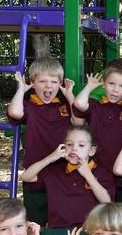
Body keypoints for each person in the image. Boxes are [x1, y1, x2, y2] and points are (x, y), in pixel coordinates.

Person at [19, 125, 115, 235]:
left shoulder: (101, 173)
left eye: (81, 145)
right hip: (57, 232)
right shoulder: (55, 171)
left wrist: (88, 175)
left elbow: (107, 201)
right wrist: (50, 158)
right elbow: (26, 177)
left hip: (87, 232)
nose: (74, 148)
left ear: (92, 150)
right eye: (69, 144)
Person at [7, 57, 82, 226]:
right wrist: (20, 90)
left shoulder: (63, 105)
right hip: (36, 169)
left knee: (62, 214)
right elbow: (15, 113)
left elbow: (78, 122)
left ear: (60, 84)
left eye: (54, 82)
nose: (49, 86)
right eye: (42, 81)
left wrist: (70, 96)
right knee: (35, 218)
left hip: (62, 169)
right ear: (33, 83)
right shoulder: (29, 106)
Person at [73, 58, 122, 202]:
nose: (115, 90)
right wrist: (89, 87)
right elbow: (78, 103)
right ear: (103, 83)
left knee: (116, 207)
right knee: (95, 203)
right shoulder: (95, 105)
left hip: (119, 167)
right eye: (111, 84)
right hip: (96, 167)